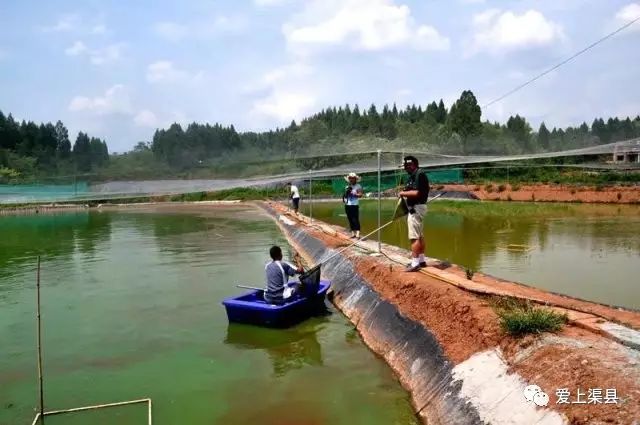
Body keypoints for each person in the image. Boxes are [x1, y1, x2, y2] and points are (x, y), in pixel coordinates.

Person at [398, 155, 430, 272]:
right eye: (405, 166)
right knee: (420, 235)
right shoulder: (413, 176)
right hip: (417, 208)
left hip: (415, 209)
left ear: (414, 165)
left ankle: (415, 263)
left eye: (408, 165)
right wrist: (405, 192)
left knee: (414, 237)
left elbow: (417, 193)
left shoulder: (418, 174)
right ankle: (421, 260)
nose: (406, 168)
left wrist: (402, 193)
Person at [343, 172, 363, 238]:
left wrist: (354, 194)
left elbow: (360, 195)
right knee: (350, 219)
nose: (351, 179)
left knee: (355, 219)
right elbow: (345, 196)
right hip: (347, 205)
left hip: (354, 205)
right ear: (349, 179)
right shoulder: (347, 186)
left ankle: (357, 233)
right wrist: (346, 194)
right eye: (350, 178)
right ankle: (352, 233)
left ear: (355, 179)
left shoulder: (358, 186)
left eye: (353, 178)